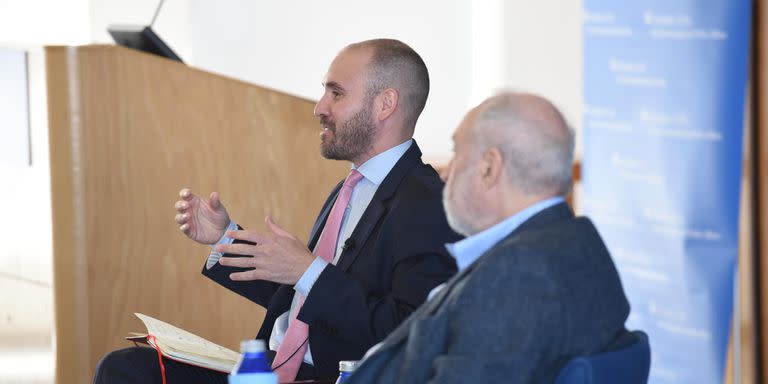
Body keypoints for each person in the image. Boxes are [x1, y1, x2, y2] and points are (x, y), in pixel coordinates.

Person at [92, 39, 460, 384]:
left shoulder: (428, 204)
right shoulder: (350, 189)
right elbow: (303, 295)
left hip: (327, 375)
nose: (319, 108)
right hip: (276, 366)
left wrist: (308, 270)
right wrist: (225, 238)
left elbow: (407, 330)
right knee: (126, 368)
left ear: (385, 104)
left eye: (336, 93)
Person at [346, 92, 634, 384]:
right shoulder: (578, 243)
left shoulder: (517, 275)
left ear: (489, 168)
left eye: (457, 153)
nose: (445, 174)